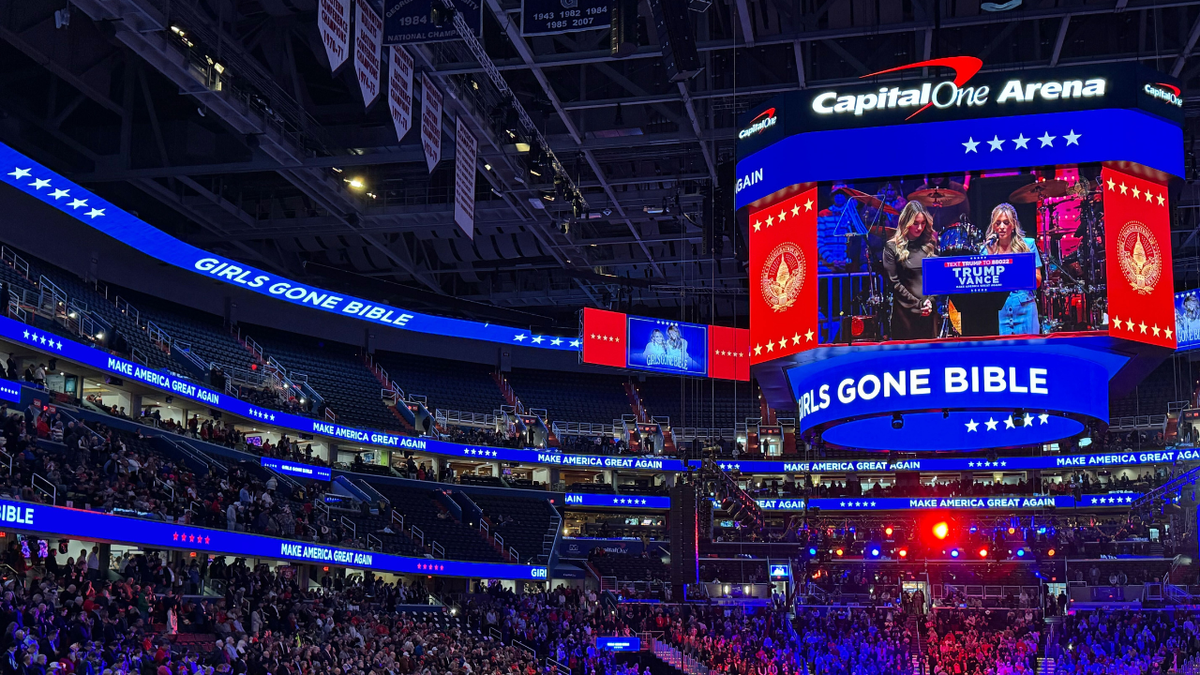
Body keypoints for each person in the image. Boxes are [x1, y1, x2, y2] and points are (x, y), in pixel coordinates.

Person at [981, 203, 1042, 335]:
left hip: (1024, 306)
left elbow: (1037, 281)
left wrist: (1016, 267)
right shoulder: (985, 250)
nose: (1001, 227)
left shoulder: (1027, 246)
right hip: (999, 310)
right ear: (993, 226)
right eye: (998, 223)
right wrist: (991, 257)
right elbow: (985, 286)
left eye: (1006, 222)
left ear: (1013, 225)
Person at [883, 201, 939, 340]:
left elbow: (936, 280)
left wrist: (930, 302)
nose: (920, 228)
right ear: (906, 222)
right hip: (905, 314)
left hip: (928, 311)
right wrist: (918, 304)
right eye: (915, 223)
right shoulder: (892, 247)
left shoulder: (930, 246)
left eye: (923, 223)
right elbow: (894, 283)